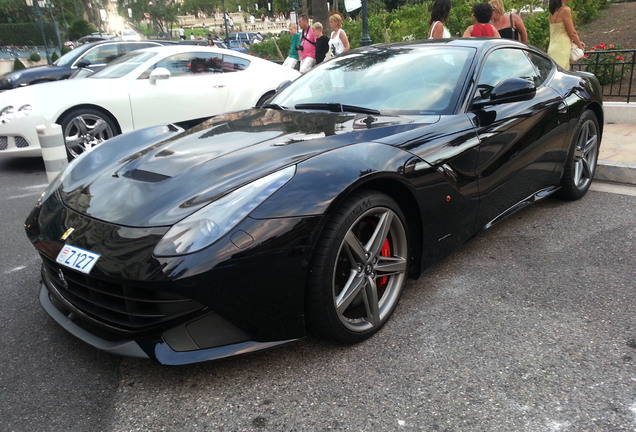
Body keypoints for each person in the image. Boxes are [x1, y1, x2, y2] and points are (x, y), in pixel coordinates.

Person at [547, 0, 585, 69]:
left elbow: (559, 32)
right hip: (562, 49)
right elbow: (572, 33)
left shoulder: (552, 12)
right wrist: (580, 47)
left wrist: (574, 42)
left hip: (553, 49)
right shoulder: (565, 10)